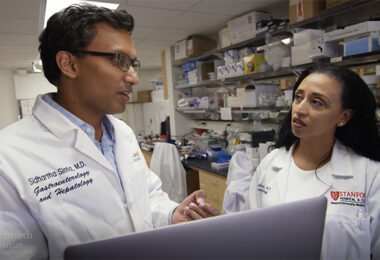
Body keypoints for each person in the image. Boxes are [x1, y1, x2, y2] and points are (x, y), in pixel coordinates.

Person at [0, 4, 218, 260]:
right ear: (68, 64)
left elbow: (146, 197)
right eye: (120, 60)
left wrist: (171, 214)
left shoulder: (122, 133)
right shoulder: (8, 157)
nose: (134, 78)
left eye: (132, 63)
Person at [246, 65, 380, 259]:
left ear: (343, 117)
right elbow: (249, 232)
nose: (300, 109)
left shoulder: (371, 175)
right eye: (299, 97)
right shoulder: (271, 163)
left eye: (317, 102)